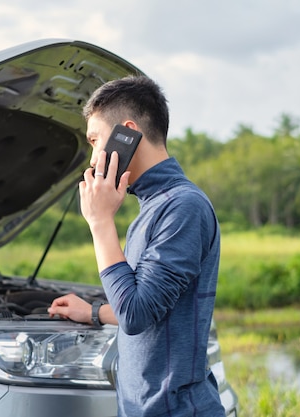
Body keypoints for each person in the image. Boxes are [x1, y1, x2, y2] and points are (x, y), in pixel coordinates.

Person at [48, 75, 224, 416]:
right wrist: (93, 312)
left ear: (126, 133)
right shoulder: (154, 207)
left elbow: (136, 315)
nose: (93, 158)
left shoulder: (183, 206)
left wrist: (99, 223)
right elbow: (153, 307)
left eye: (95, 140)